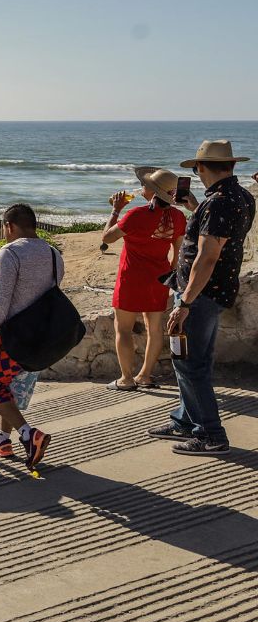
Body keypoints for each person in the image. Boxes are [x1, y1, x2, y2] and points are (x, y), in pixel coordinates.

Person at [151, 140, 254, 456]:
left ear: (201, 168)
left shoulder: (219, 203)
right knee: (196, 359)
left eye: (196, 167)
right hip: (215, 291)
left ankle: (211, 434)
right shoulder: (240, 198)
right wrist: (195, 209)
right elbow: (220, 235)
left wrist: (185, 302)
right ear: (231, 166)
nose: (195, 171)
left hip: (201, 294)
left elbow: (208, 256)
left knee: (189, 363)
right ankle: (184, 420)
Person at [0, 204, 61, 470]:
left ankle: (28, 435)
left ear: (9, 226)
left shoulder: (9, 253)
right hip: (40, 336)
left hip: (10, 338)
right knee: (9, 388)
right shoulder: (53, 253)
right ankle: (2, 439)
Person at [101, 168, 186, 390]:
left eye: (146, 185)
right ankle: (145, 376)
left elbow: (107, 238)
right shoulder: (177, 217)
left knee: (123, 329)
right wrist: (172, 272)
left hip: (131, 278)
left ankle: (126, 379)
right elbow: (178, 250)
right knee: (155, 328)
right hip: (159, 277)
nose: (142, 187)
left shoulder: (136, 214)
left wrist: (115, 210)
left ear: (153, 192)